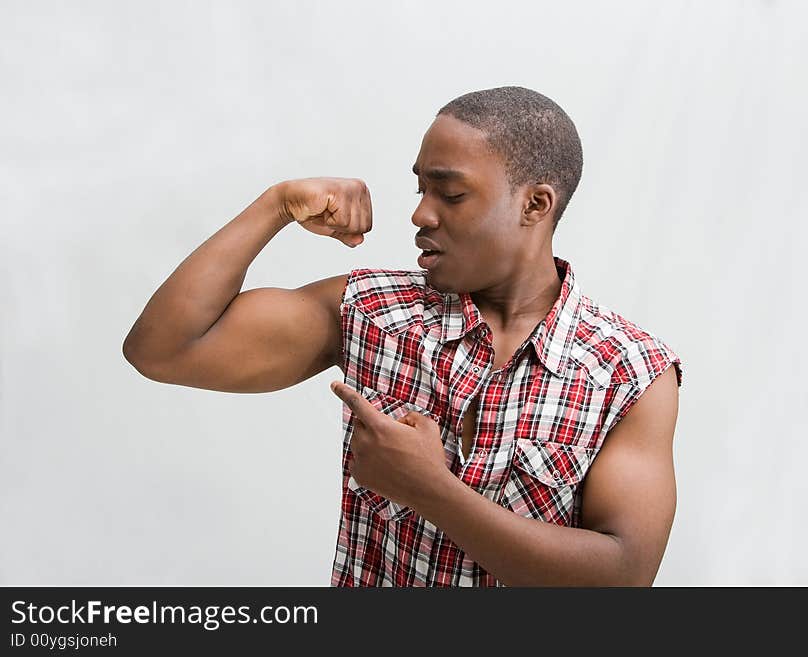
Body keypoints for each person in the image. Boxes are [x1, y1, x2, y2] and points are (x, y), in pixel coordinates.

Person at [123, 86, 683, 587]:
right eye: (420, 190)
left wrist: (429, 489)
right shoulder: (372, 312)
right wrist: (277, 205)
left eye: (451, 195)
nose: (420, 214)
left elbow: (623, 577)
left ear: (535, 204)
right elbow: (165, 349)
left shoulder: (630, 373)